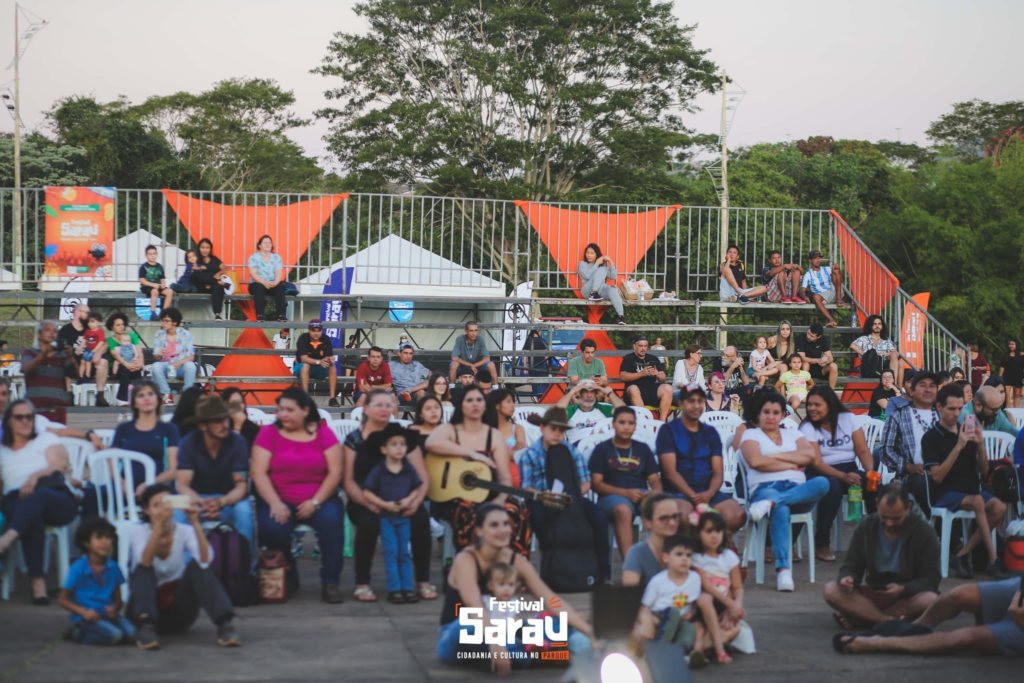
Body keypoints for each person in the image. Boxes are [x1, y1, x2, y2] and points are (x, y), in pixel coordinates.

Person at [436, 504, 594, 672]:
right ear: (479, 531)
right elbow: (475, 606)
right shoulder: (466, 560)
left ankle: (548, 648)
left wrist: (589, 631)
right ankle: (543, 652)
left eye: (506, 524)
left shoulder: (517, 561)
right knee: (466, 626)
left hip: (505, 630)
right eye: (494, 525)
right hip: (464, 632)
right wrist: (495, 642)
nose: (503, 529)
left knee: (557, 624)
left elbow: (551, 599)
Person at [250, 388, 344, 602]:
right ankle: (288, 575)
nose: (283, 414)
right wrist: (274, 502)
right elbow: (258, 472)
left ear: (305, 410)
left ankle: (330, 582)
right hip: (279, 498)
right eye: (280, 409)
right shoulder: (268, 433)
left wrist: (315, 501)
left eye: (289, 410)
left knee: (332, 522)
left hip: (320, 498)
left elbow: (336, 472)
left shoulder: (322, 432)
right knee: (272, 527)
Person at [346, 389, 436, 602]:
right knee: (368, 523)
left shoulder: (401, 435)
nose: (385, 409)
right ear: (366, 409)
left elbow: (422, 476)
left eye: (388, 405)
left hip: (403, 500)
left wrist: (415, 501)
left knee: (421, 519)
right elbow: (347, 480)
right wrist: (368, 502)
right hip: (367, 501)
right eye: (379, 404)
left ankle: (422, 581)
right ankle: (362, 583)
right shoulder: (355, 439)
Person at [127, 483, 241, 649]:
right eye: (156, 505)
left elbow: (206, 560)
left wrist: (195, 523)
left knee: (198, 568)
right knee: (142, 570)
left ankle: (225, 624)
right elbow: (145, 561)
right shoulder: (138, 531)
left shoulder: (184, 530)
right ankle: (146, 628)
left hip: (177, 613)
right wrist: (158, 527)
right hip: (143, 613)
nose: (161, 510)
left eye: (166, 504)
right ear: (146, 510)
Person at [740, 390, 829, 592]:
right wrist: (791, 462)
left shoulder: (794, 433)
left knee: (822, 483)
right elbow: (756, 461)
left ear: (782, 415)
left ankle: (772, 504)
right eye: (766, 412)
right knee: (781, 509)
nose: (771, 416)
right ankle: (783, 571)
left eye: (775, 412)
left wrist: (772, 458)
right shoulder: (751, 434)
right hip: (765, 489)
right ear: (758, 414)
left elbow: (809, 457)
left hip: (798, 490)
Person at [922, 383, 1009, 579]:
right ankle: (994, 561)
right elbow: (937, 477)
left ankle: (962, 553)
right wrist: (959, 446)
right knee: (978, 501)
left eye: (960, 408)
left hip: (970, 489)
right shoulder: (931, 437)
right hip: (944, 493)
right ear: (939, 408)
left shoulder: (967, 431)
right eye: (951, 408)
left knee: (999, 508)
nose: (956, 413)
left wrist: (980, 446)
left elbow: (984, 471)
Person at [824, 483, 940, 629]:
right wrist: (848, 578)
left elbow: (931, 579)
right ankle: (887, 621)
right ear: (877, 504)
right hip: (875, 592)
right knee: (831, 590)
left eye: (896, 518)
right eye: (884, 517)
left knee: (929, 599)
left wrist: (904, 589)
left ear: (908, 508)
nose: (890, 523)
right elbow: (851, 565)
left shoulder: (924, 532)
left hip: (906, 595)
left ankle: (863, 618)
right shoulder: (866, 527)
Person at [519, 407, 611, 579]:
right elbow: (526, 487)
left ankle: (602, 573)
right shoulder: (531, 454)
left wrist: (573, 496)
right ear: (542, 428)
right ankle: (550, 571)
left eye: (561, 430)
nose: (557, 434)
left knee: (598, 516)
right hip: (540, 498)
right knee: (540, 519)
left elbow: (585, 482)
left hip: (571, 498)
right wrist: (545, 496)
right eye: (553, 429)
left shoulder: (571, 451)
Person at [0, 400, 77, 604]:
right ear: (8, 422)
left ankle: (7, 539)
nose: (25, 421)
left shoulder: (45, 439)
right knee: (31, 516)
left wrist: (35, 477)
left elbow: (60, 465)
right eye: (19, 417)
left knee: (38, 498)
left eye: (29, 417)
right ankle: (38, 585)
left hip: (53, 497)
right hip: (16, 501)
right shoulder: (2, 451)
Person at [835, 577, 1024, 658]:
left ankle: (877, 643)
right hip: (1019, 589)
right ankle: (915, 629)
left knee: (968, 636)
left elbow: (930, 577)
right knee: (959, 594)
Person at [656, 384, 746, 531]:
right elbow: (670, 472)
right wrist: (693, 496)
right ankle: (693, 549)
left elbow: (718, 472)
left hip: (708, 491)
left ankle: (718, 546)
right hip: (677, 492)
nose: (696, 405)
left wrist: (708, 494)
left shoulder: (710, 432)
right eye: (691, 401)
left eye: (700, 401)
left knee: (736, 514)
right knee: (683, 515)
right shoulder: (668, 431)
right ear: (681, 403)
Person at [799, 386, 874, 561]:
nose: (812, 409)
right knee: (831, 488)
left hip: (849, 468)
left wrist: (870, 472)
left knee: (874, 486)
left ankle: (878, 538)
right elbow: (816, 462)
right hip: (820, 471)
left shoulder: (848, 419)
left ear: (830, 405)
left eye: (817, 405)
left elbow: (862, 450)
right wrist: (843, 477)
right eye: (809, 404)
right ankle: (822, 543)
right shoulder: (808, 427)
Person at [174, 395, 254, 553]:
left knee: (244, 512)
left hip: (229, 499)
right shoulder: (189, 443)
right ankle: (184, 570)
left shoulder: (237, 442)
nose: (224, 425)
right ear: (203, 425)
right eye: (218, 421)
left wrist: (221, 502)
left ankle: (247, 570)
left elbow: (241, 485)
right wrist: (201, 503)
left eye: (226, 420)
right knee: (178, 514)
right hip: (197, 499)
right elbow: (183, 485)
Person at [640, 534, 730, 666]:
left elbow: (693, 602)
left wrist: (692, 613)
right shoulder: (658, 581)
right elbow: (645, 606)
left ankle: (679, 655)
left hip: (683, 619)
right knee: (673, 613)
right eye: (679, 554)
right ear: (666, 557)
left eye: (688, 556)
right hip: (661, 617)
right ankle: (659, 651)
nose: (684, 559)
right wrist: (651, 620)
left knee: (690, 630)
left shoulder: (694, 578)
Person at [361, 424, 423, 604]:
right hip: (386, 517)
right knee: (391, 551)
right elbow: (367, 492)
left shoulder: (408, 468)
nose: (399, 448)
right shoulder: (379, 470)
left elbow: (416, 487)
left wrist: (408, 501)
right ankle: (394, 588)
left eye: (402, 444)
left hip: (403, 517)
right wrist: (384, 505)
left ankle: (408, 587)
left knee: (404, 552)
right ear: (384, 449)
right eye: (394, 444)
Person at [590, 406, 662, 558]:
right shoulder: (602, 449)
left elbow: (654, 479)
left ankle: (657, 563)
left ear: (635, 426)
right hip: (611, 497)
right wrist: (626, 493)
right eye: (622, 422)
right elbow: (596, 484)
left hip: (640, 494)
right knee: (623, 510)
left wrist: (654, 494)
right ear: (613, 424)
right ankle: (630, 567)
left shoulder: (642, 449)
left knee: (662, 507)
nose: (626, 427)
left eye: (631, 423)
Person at [58, 516, 135, 645]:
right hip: (86, 617)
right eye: (99, 538)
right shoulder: (78, 568)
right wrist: (83, 612)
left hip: (107, 616)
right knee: (115, 636)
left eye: (109, 538)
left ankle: (97, 630)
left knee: (132, 634)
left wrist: (114, 608)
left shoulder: (113, 567)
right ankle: (77, 632)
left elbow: (118, 600)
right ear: (86, 542)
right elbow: (62, 599)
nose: (105, 542)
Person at [879, 371, 939, 511]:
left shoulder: (944, 415)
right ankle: (935, 527)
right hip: (912, 476)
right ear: (911, 390)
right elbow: (885, 451)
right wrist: (908, 467)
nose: (928, 389)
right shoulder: (898, 415)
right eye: (922, 385)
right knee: (924, 485)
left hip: (943, 472)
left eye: (932, 385)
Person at [112, 379, 181, 494]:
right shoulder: (123, 429)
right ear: (134, 403)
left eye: (150, 394)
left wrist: (148, 485)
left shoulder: (169, 429)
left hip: (157, 486)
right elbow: (112, 461)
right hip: (125, 488)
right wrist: (122, 484)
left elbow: (174, 469)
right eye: (141, 395)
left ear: (158, 400)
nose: (146, 398)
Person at [693, 509, 745, 640]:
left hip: (724, 604)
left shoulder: (729, 557)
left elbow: (737, 587)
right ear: (699, 533)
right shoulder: (697, 558)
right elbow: (707, 587)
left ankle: (709, 646)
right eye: (709, 531)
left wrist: (737, 605)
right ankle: (715, 647)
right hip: (703, 605)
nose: (714, 536)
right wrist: (730, 604)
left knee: (735, 629)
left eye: (718, 531)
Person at [622, 493, 683, 588]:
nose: (672, 523)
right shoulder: (637, 553)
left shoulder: (687, 550)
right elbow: (629, 594)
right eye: (664, 518)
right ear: (647, 523)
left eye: (675, 517)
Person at [57, 305, 110, 407]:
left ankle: (100, 396)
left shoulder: (92, 327)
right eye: (86, 312)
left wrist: (98, 353)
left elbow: (106, 343)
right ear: (77, 312)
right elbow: (60, 347)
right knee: (62, 361)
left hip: (91, 359)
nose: (88, 315)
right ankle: (68, 394)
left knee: (103, 362)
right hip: (73, 362)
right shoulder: (65, 330)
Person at [21, 321, 73, 423]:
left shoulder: (62, 355)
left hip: (58, 409)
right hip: (35, 409)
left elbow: (76, 374)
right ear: (39, 334)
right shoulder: (30, 352)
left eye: (55, 331)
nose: (52, 334)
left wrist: (71, 357)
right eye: (47, 330)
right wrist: (44, 353)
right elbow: (26, 368)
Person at [151, 307, 196, 405]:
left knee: (191, 366)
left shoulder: (185, 334)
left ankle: (187, 395)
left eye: (167, 321)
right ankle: (166, 394)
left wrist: (178, 363)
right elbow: (156, 357)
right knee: (155, 366)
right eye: (162, 320)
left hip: (180, 366)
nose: (163, 323)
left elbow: (191, 357)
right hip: (166, 366)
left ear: (175, 322)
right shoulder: (159, 334)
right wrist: (159, 354)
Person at [621, 335, 673, 420]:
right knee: (633, 389)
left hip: (650, 390)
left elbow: (663, 378)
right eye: (640, 346)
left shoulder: (653, 358)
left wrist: (657, 374)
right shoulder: (628, 358)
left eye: (645, 346)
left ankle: (661, 422)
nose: (643, 348)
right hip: (634, 391)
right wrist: (641, 374)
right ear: (634, 346)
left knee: (668, 388)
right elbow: (623, 376)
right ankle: (645, 421)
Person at [557, 379, 623, 442]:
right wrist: (572, 392)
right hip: (579, 447)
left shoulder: (603, 408)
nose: (589, 395)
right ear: (579, 394)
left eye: (592, 392)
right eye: (585, 392)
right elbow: (556, 411)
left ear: (596, 394)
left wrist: (608, 393)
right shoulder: (571, 410)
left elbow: (624, 411)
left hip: (601, 445)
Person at [293, 319, 339, 406]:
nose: (316, 333)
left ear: (322, 331)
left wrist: (329, 359)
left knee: (332, 365)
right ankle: (305, 398)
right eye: (313, 330)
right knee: (306, 365)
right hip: (302, 367)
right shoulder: (303, 338)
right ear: (309, 330)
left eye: (318, 331)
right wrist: (319, 361)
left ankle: (332, 398)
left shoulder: (326, 339)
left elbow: (328, 356)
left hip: (319, 367)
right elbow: (303, 358)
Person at [577, 242, 626, 325]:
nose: (589, 255)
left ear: (597, 255)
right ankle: (593, 293)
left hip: (600, 291)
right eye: (587, 253)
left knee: (612, 290)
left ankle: (621, 317)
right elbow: (587, 276)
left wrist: (611, 262)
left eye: (592, 253)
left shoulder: (602, 266)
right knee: (602, 269)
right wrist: (597, 264)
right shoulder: (582, 264)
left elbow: (613, 276)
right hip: (587, 290)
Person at [799, 249, 846, 327]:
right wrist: (804, 296)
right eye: (815, 258)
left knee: (836, 270)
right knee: (815, 296)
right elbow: (802, 290)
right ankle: (831, 320)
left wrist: (837, 270)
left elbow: (839, 279)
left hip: (835, 292)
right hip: (822, 298)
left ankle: (839, 299)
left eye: (819, 258)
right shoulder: (808, 274)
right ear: (810, 260)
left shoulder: (827, 269)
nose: (818, 260)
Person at [106, 311, 145, 405]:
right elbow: (116, 355)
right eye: (118, 325)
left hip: (132, 364)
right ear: (112, 327)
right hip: (117, 368)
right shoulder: (110, 340)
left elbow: (139, 351)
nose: (121, 327)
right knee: (125, 369)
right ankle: (122, 398)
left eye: (122, 324)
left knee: (137, 371)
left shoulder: (131, 336)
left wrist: (140, 364)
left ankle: (138, 398)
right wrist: (127, 365)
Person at [850, 314, 901, 385]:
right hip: (870, 367)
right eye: (874, 324)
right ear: (870, 326)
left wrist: (885, 354)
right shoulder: (864, 338)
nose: (877, 326)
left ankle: (895, 384)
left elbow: (895, 353)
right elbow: (852, 345)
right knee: (899, 363)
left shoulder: (886, 340)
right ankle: (894, 384)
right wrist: (865, 354)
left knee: (900, 363)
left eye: (879, 324)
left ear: (882, 326)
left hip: (883, 367)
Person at [247, 234, 288, 321]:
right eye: (265, 242)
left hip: (272, 283)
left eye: (269, 242)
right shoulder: (254, 257)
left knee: (280, 286)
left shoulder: (276, 257)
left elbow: (278, 273)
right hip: (258, 283)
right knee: (259, 287)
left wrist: (275, 283)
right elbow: (253, 274)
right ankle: (260, 315)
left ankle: (281, 315)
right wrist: (264, 282)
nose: (268, 244)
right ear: (259, 245)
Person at [190, 238, 228, 320]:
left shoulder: (215, 260)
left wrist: (219, 273)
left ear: (210, 249)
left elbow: (224, 269)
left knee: (218, 287)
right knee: (197, 275)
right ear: (199, 248)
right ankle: (212, 282)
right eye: (202, 247)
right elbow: (193, 272)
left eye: (207, 248)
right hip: (200, 286)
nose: (205, 250)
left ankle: (217, 314)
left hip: (213, 287)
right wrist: (213, 278)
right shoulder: (196, 259)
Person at [797, 322, 839, 390]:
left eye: (812, 336)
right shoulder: (801, 337)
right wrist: (818, 360)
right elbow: (801, 358)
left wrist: (825, 361)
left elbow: (831, 358)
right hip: (805, 368)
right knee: (805, 364)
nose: (808, 336)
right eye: (808, 333)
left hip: (819, 369)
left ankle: (831, 392)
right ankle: (803, 391)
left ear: (819, 336)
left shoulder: (823, 339)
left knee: (834, 366)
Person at [485, 388, 528, 455]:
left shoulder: (517, 428)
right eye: (508, 402)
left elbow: (522, 449)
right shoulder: (484, 428)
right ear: (497, 405)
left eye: (513, 402)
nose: (513, 405)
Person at [138, 244, 174, 318]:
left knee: (170, 292)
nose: (152, 256)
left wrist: (163, 284)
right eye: (150, 254)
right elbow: (142, 280)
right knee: (155, 291)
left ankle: (164, 313)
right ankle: (153, 312)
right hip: (147, 286)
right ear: (146, 255)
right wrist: (153, 285)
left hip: (158, 286)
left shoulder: (159, 266)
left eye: (154, 254)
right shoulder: (143, 266)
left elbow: (162, 278)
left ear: (157, 254)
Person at [78, 312, 106, 382]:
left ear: (98, 322)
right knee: (82, 362)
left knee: (88, 362)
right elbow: (84, 341)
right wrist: (80, 349)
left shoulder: (100, 331)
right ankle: (80, 376)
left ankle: (87, 376)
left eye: (92, 322)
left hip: (93, 351)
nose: (90, 323)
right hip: (87, 349)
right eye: (89, 322)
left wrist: (95, 350)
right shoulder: (87, 331)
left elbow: (101, 341)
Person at [999, 340, 1023, 409]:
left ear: (1016, 345)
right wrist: (999, 377)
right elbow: (1002, 366)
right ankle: (1008, 410)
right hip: (1007, 377)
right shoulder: (1005, 355)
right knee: (1007, 395)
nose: (1011, 345)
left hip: (1018, 377)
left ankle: (1016, 411)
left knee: (1017, 395)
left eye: (1013, 344)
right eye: (1010, 344)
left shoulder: (1021, 355)